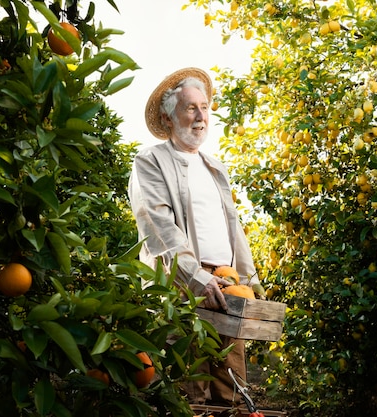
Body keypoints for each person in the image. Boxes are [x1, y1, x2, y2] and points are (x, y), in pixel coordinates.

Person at [127, 67, 261, 406]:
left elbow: (234, 227)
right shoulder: (152, 160)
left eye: (205, 106)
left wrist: (252, 280)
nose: (201, 116)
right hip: (183, 286)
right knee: (190, 389)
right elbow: (159, 228)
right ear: (168, 117)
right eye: (191, 108)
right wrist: (195, 277)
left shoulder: (215, 167)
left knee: (232, 388)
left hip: (228, 284)